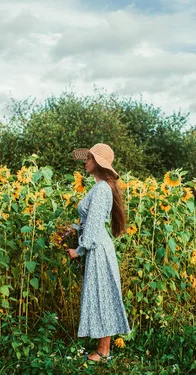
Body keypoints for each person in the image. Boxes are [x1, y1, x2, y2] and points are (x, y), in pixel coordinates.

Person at [66, 143, 131, 363]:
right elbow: (91, 221)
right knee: (102, 295)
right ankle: (103, 350)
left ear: (99, 163)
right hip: (99, 247)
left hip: (97, 248)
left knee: (103, 296)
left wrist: (79, 250)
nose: (85, 161)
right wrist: (74, 230)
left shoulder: (102, 189)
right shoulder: (101, 187)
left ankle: (103, 352)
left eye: (90, 158)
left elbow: (94, 227)